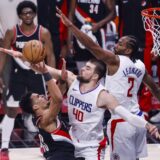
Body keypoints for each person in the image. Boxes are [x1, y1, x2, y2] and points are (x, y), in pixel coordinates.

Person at [1, 47, 160, 160]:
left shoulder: (103, 95)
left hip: (92, 148)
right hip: (72, 144)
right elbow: (42, 67)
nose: (82, 69)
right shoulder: (72, 79)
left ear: (95, 76)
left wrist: (148, 126)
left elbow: (126, 115)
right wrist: (22, 56)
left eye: (88, 68)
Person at [56, 9, 160, 160]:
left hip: (121, 121)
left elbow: (92, 46)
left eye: (120, 44)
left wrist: (71, 26)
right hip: (138, 118)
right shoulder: (140, 65)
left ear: (128, 50)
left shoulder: (115, 60)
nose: (116, 44)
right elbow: (155, 89)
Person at [0, 0, 55, 156]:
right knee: (11, 109)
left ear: (35, 14)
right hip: (18, 74)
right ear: (20, 15)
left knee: (43, 110)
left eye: (30, 12)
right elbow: (3, 54)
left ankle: (46, 144)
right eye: (24, 13)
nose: (28, 15)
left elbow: (50, 55)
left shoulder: (43, 32)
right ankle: (4, 148)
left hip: (37, 73)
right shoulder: (12, 32)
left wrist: (51, 76)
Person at [19, 67, 75, 160]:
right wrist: (45, 73)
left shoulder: (41, 114)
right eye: (38, 97)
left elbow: (59, 92)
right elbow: (58, 99)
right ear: (35, 107)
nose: (42, 95)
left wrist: (62, 79)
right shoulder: (45, 119)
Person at [68, 0, 116, 73]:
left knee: (98, 67)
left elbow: (113, 13)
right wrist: (69, 40)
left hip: (97, 33)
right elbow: (71, 15)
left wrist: (99, 24)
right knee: (82, 69)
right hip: (80, 33)